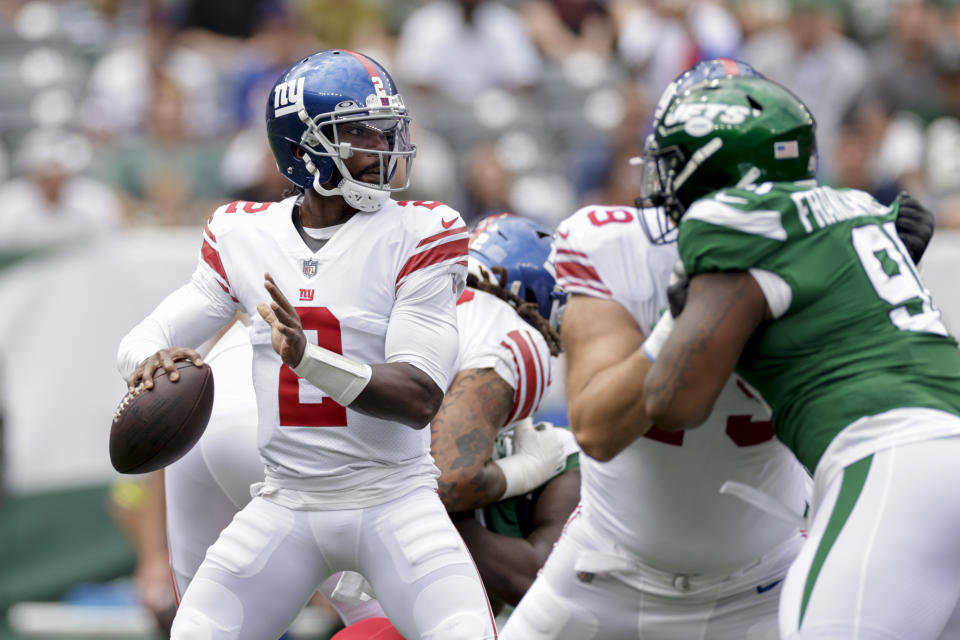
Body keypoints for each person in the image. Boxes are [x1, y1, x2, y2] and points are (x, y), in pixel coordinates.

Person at [117, 49, 497, 640]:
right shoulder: (244, 232)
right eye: (361, 133)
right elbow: (147, 335)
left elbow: (420, 395)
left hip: (393, 497)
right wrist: (150, 362)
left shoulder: (424, 229)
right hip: (286, 500)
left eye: (387, 127)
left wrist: (307, 359)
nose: (384, 145)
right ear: (303, 149)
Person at [500, 58, 812, 640]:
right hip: (607, 568)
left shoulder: (829, 256)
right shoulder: (612, 242)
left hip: (770, 576)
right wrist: (691, 316)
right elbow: (596, 427)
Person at [639, 72, 959, 638]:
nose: (664, 187)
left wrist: (680, 319)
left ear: (718, 162)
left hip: (892, 460)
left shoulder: (734, 219)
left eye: (674, 163)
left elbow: (672, 400)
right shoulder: (857, 205)